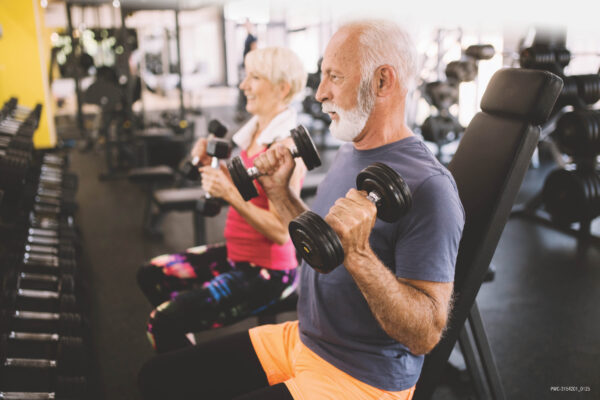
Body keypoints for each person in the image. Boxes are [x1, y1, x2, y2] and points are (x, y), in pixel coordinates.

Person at [138, 19, 464, 400]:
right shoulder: (352, 151)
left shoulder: (430, 187)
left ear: (382, 82)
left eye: (334, 77)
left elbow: (425, 334)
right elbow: (318, 244)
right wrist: (279, 193)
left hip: (361, 376)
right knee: (157, 378)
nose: (321, 92)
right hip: (304, 339)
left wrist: (359, 255)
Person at [136, 46, 308, 354]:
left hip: (267, 272)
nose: (243, 86)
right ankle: (186, 355)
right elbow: (249, 187)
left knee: (163, 323)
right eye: (246, 76)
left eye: (254, 77)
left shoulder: (285, 148)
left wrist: (228, 192)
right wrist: (212, 167)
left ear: (282, 88)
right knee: (151, 274)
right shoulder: (255, 131)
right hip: (236, 254)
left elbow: (282, 232)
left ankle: (189, 373)